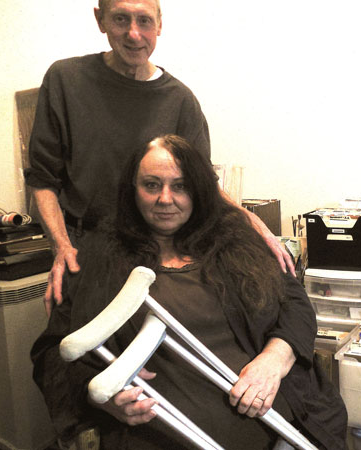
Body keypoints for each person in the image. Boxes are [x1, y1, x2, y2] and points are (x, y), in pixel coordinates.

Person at [31, 134, 348, 450]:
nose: (165, 199)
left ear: (199, 190)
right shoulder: (99, 257)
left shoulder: (237, 241)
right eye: (151, 185)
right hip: (158, 432)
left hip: (278, 427)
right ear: (132, 190)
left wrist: (274, 360)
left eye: (180, 186)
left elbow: (296, 304)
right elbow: (52, 355)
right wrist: (101, 399)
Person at [24, 0, 293, 316]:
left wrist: (251, 221)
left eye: (145, 21)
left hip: (152, 251)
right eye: (121, 19)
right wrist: (61, 248)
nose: (134, 34)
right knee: (78, 349)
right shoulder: (65, 79)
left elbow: (202, 185)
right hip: (82, 247)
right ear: (100, 20)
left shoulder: (180, 101)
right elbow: (43, 179)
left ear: (160, 25)